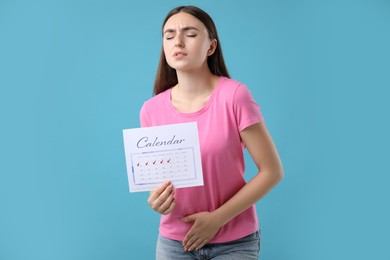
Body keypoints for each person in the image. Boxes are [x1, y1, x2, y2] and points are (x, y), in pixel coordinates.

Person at [140, 5, 284, 260]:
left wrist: (217, 219)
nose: (178, 42)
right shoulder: (151, 110)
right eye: (169, 35)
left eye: (190, 34)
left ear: (211, 46)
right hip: (174, 242)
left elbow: (272, 172)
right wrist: (156, 199)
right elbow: (160, 180)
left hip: (235, 242)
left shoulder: (235, 96)